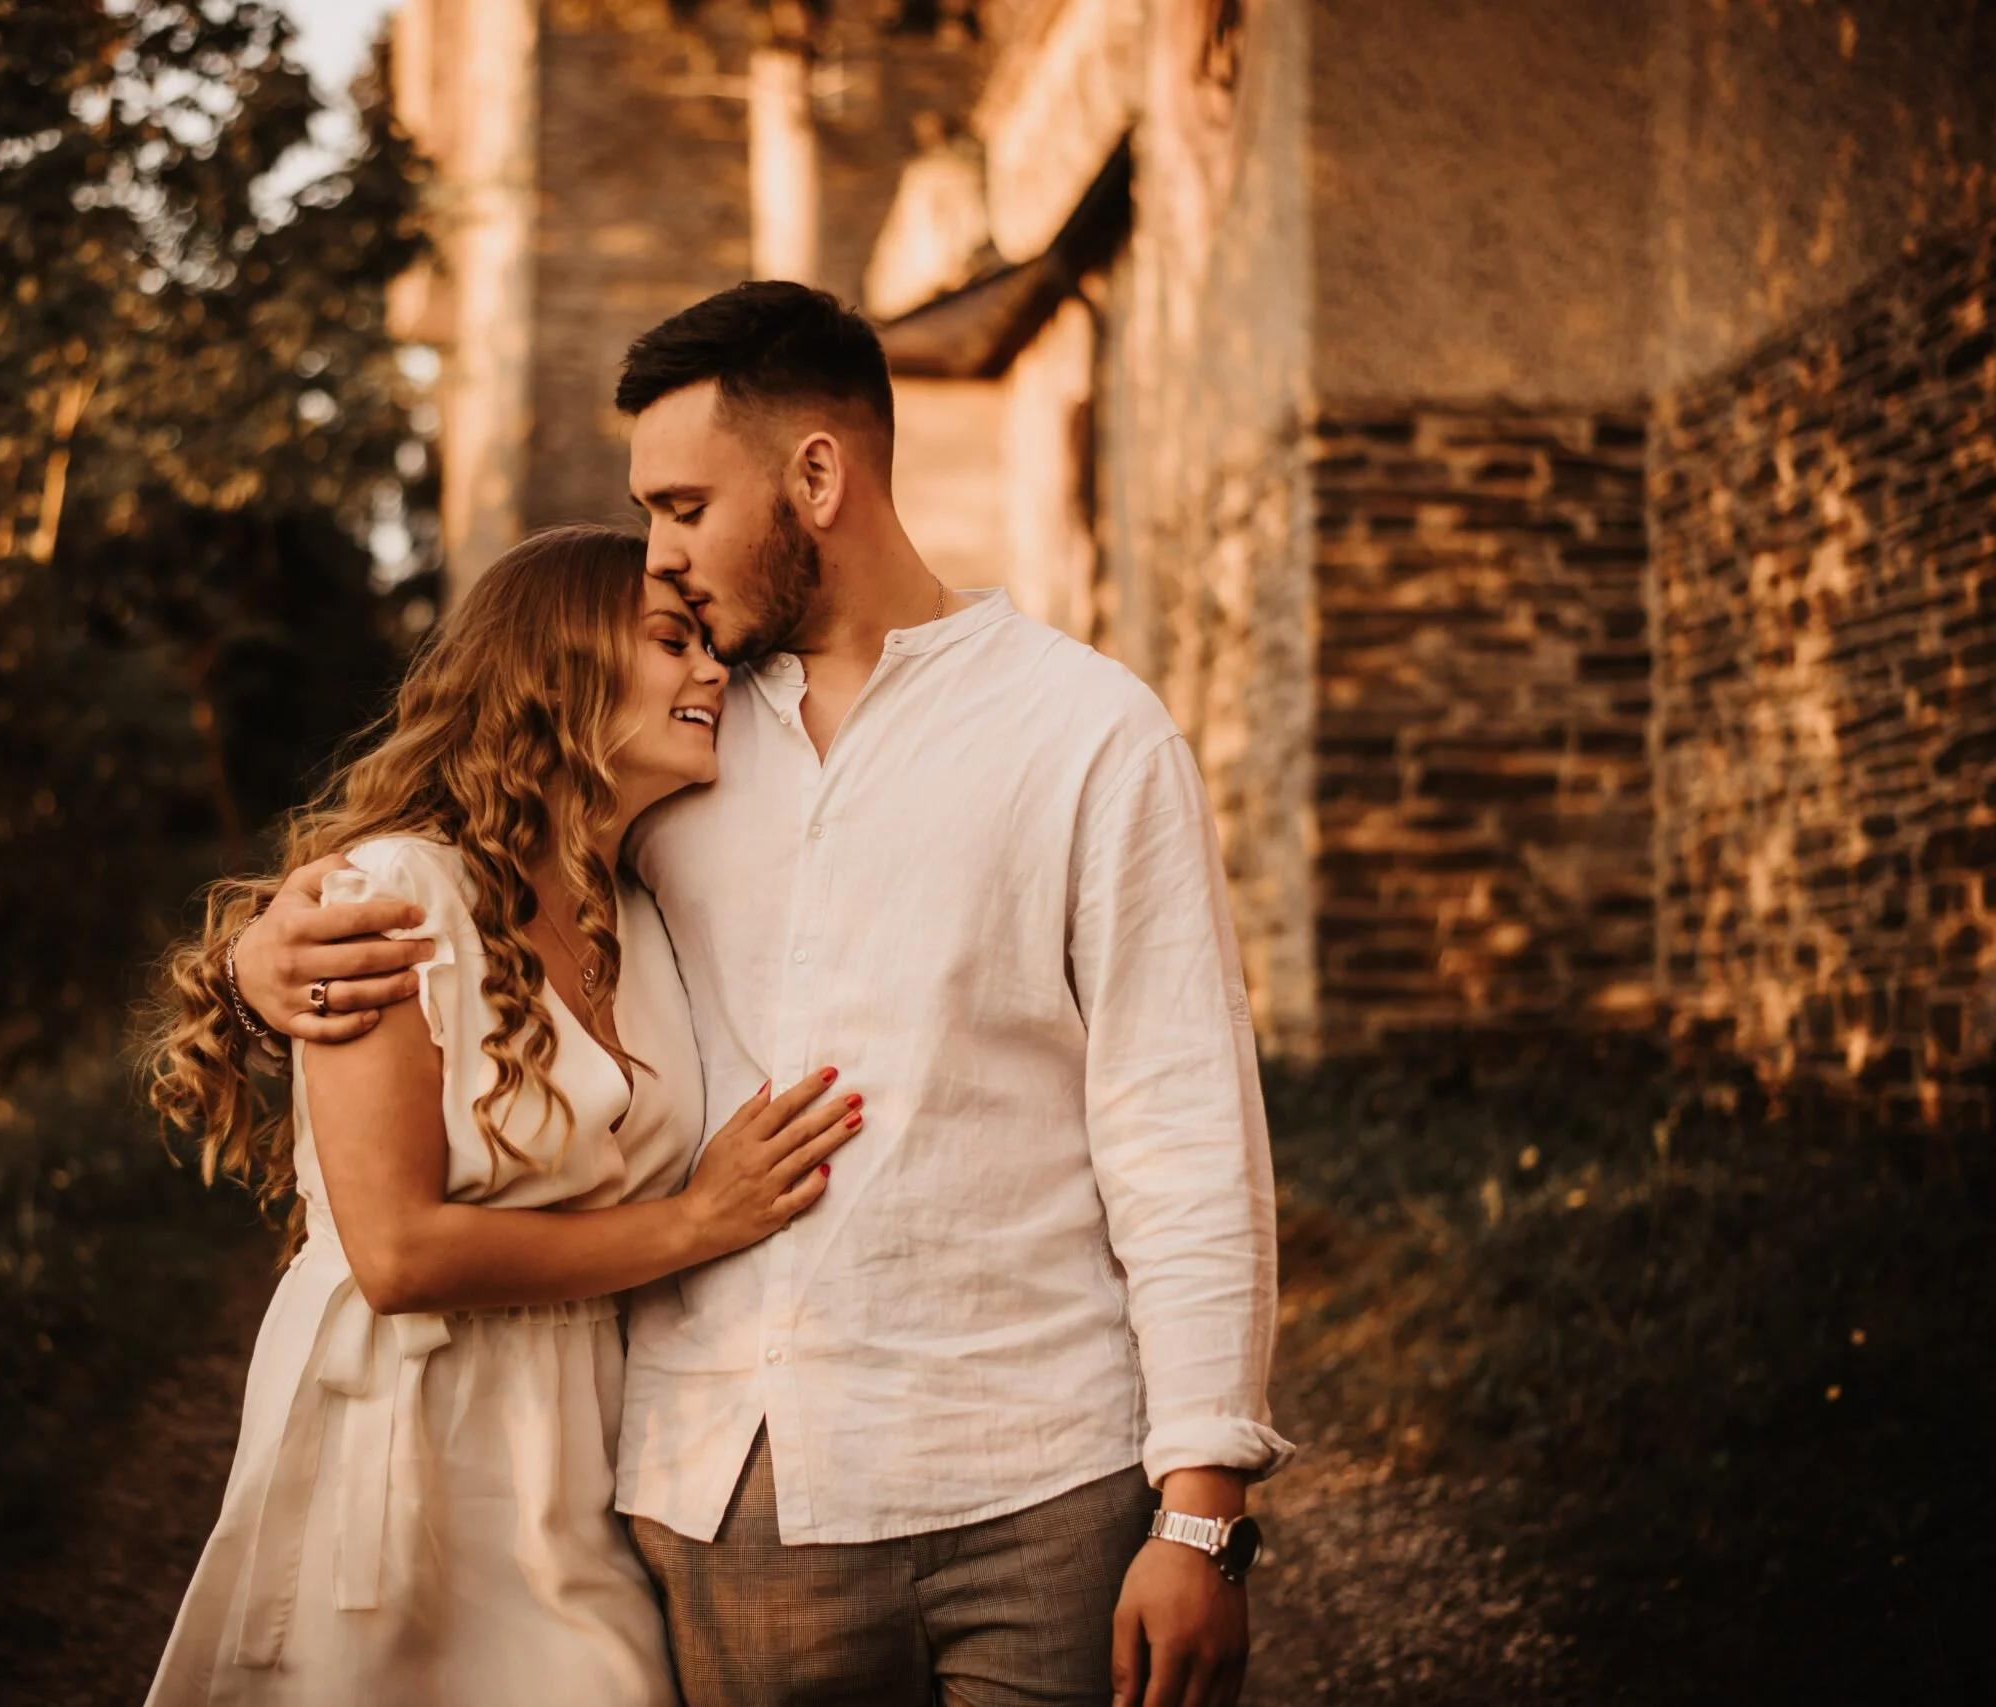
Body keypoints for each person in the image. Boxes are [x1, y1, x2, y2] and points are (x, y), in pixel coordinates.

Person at [241, 283, 1294, 1707]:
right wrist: (269, 947)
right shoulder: (677, 730)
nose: (661, 557)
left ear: (815, 474)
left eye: (681, 505)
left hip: (1044, 1475)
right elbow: (470, 849)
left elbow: (1183, 1130)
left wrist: (1201, 1510)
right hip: (732, 1487)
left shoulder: (1087, 732)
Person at [140, 524, 865, 1707]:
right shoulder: (395, 897)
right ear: (555, 665)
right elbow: (399, 1251)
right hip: (413, 1435)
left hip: (588, 1430)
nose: (711, 672)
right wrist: (696, 1222)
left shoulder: (638, 909)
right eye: (670, 641)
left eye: (710, 645)